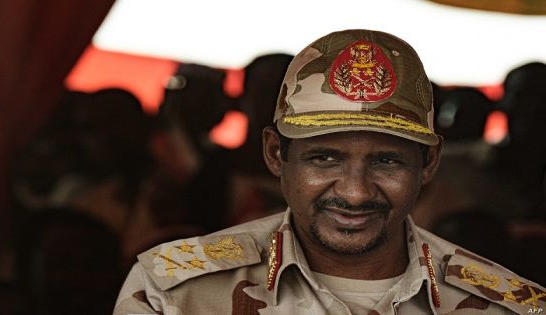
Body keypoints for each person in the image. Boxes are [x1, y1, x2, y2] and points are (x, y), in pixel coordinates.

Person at [114, 29, 545, 314]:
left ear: (429, 162)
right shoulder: (171, 290)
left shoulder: (511, 304)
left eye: (386, 160)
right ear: (274, 154)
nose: (355, 193)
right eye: (324, 158)